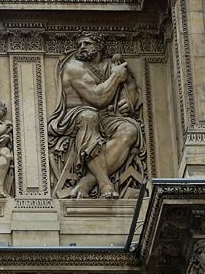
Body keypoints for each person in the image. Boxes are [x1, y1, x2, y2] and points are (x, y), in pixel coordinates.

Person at [48, 32, 144, 199]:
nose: (81, 48)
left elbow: (131, 87)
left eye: (87, 43)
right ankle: (105, 183)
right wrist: (116, 76)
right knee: (89, 117)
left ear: (99, 46)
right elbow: (98, 98)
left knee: (129, 130)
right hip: (76, 115)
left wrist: (127, 102)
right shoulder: (74, 68)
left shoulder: (111, 64)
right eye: (79, 45)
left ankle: (89, 181)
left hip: (106, 117)